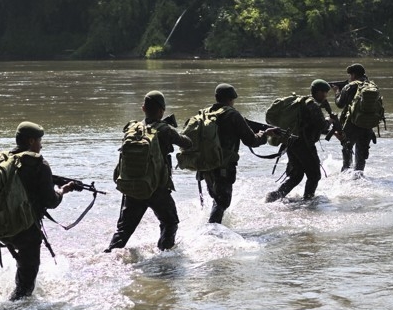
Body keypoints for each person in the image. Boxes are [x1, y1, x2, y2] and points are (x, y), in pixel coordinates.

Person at [0, 122, 81, 300]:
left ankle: (13, 297)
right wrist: (63, 190)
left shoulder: (5, 161)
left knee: (23, 269)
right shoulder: (39, 164)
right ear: (31, 141)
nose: (41, 145)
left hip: (2, 227)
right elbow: (51, 202)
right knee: (26, 287)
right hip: (26, 230)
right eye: (40, 140)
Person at [104, 91, 193, 252]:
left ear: (143, 108)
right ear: (162, 110)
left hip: (132, 187)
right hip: (157, 189)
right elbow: (187, 144)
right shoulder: (165, 129)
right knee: (170, 222)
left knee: (123, 231)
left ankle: (108, 256)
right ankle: (163, 256)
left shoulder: (132, 128)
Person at [200, 83, 267, 224]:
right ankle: (211, 233)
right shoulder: (232, 114)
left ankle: (213, 228)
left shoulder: (205, 113)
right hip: (223, 167)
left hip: (205, 166)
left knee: (217, 200)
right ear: (231, 99)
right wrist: (264, 134)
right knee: (222, 202)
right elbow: (251, 140)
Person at [265, 80, 336, 202]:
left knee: (296, 176)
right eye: (324, 93)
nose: (325, 96)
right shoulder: (312, 105)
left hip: (292, 143)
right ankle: (308, 201)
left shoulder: (302, 102)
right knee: (314, 176)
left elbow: (310, 125)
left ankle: (274, 196)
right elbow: (322, 126)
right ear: (318, 92)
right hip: (304, 145)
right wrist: (329, 120)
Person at [332, 63, 376, 172]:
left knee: (347, 149)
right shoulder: (371, 86)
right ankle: (358, 178)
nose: (349, 78)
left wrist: (337, 91)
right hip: (367, 125)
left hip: (352, 125)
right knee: (361, 158)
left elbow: (340, 104)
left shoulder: (349, 87)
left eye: (350, 75)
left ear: (353, 75)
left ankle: (345, 175)